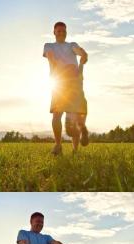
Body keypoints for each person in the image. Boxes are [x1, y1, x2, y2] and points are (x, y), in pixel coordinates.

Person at [43, 21, 89, 155]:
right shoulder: (49, 45)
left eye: (63, 31)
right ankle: (58, 145)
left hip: (73, 82)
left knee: (75, 116)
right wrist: (57, 69)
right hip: (60, 81)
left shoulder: (71, 45)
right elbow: (50, 57)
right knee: (57, 114)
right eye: (58, 31)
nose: (61, 33)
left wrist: (83, 56)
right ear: (54, 32)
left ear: (66, 32)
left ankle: (75, 150)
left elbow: (80, 51)